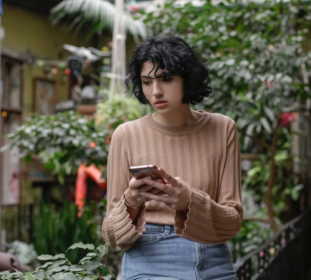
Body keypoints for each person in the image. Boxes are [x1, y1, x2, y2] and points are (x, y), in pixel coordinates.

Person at [102, 36, 243, 280]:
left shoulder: (223, 129)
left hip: (215, 260)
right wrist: (131, 200)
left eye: (166, 79)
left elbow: (232, 222)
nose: (155, 92)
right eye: (147, 82)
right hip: (150, 260)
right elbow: (112, 236)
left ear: (186, 78)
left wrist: (189, 201)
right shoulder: (126, 135)